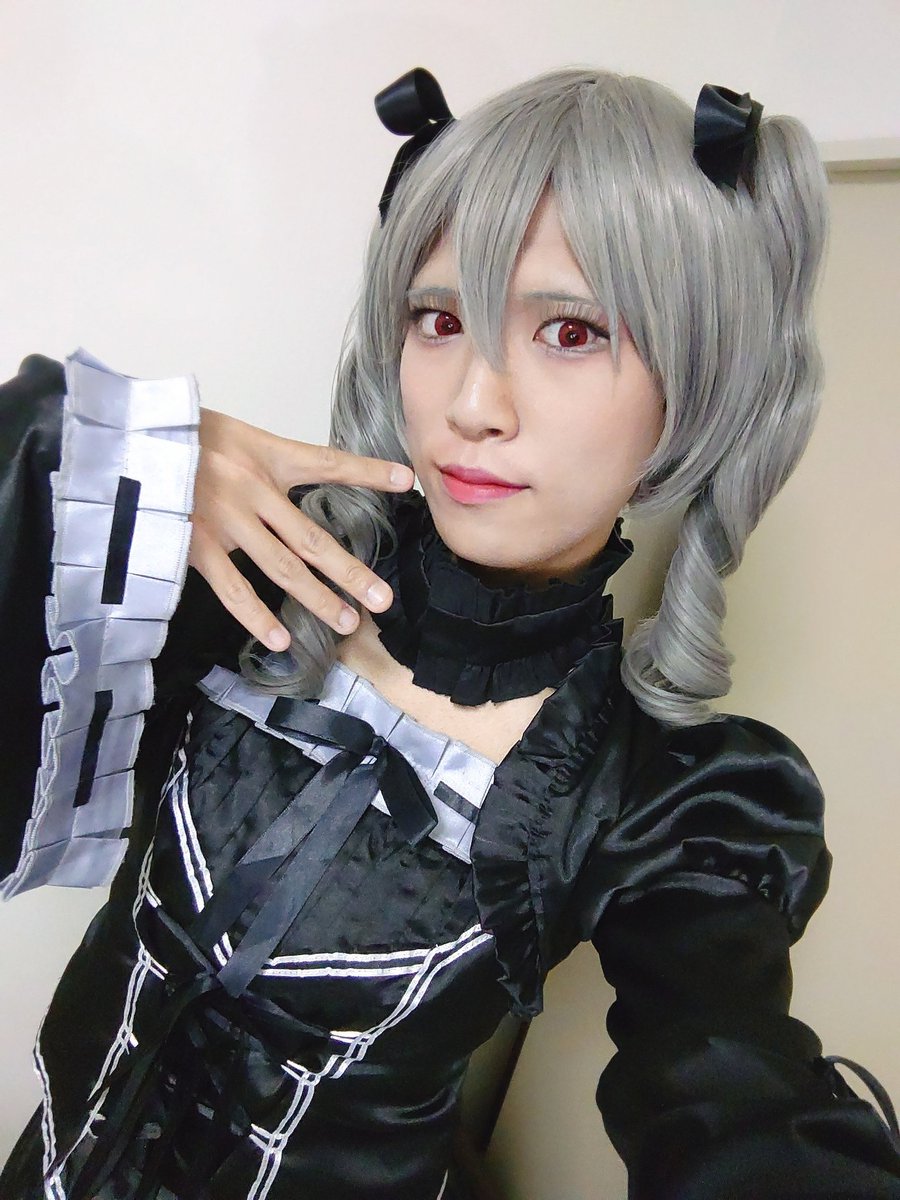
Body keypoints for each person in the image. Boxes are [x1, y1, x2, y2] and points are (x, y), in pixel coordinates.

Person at [1, 65, 898, 1200]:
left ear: (695, 388)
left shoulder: (664, 799)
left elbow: (736, 1099)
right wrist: (107, 453)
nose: (473, 403)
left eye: (570, 331)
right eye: (439, 320)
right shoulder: (244, 565)